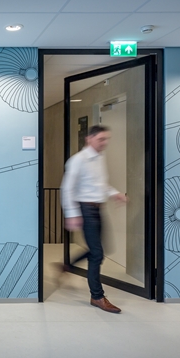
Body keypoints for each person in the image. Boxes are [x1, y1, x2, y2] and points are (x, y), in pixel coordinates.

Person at [60, 125, 127, 313]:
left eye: (106, 139)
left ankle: (67, 265)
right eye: (101, 139)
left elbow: (100, 184)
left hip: (98, 209)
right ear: (89, 139)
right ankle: (97, 296)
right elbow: (67, 188)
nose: (105, 143)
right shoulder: (78, 160)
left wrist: (115, 194)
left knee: (100, 250)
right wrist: (72, 214)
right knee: (97, 254)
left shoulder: (100, 158)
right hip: (85, 210)